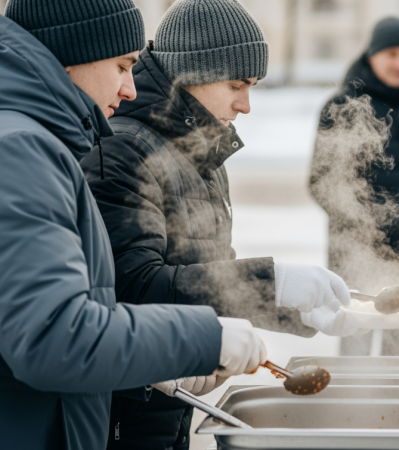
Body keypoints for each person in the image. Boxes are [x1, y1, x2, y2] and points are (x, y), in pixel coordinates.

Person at [0, 1, 268, 449]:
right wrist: (202, 337)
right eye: (122, 66)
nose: (132, 89)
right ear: (75, 51)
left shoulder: (5, 135)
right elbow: (52, 337)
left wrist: (150, 368)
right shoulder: (15, 149)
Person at [79, 1, 362, 447]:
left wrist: (295, 308)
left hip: (170, 405)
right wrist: (274, 282)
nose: (246, 104)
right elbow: (131, 286)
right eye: (236, 84)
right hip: (125, 410)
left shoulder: (200, 155)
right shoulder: (124, 152)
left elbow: (211, 276)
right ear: (192, 73)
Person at [310, 17, 399, 357]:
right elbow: (320, 182)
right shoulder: (341, 106)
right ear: (372, 55)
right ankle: (354, 411)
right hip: (358, 256)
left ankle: (398, 410)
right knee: (356, 348)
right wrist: (368, 229)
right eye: (391, 53)